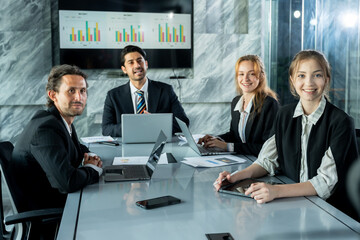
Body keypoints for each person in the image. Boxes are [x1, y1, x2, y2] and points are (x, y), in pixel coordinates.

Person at [214, 50, 359, 220]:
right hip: (298, 206)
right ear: (292, 80)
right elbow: (267, 161)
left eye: (317, 75)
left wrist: (276, 191)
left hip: (334, 214)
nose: (309, 83)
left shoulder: (341, 121)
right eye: (301, 75)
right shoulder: (284, 115)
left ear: (327, 79)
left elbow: (325, 182)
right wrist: (235, 177)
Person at [11, 64, 103, 213]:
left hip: (62, 202)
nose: (78, 97)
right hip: (49, 212)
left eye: (83, 91)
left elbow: (76, 148)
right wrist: (93, 169)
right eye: (71, 91)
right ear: (53, 95)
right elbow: (68, 182)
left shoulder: (59, 120)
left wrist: (90, 156)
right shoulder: (46, 129)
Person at [198, 55, 279, 156]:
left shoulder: (269, 104)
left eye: (252, 74)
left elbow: (266, 148)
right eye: (241, 74)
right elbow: (234, 135)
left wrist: (227, 146)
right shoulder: (236, 102)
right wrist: (215, 139)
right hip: (243, 158)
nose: (245, 79)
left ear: (261, 76)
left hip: (259, 164)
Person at [102, 45, 190, 137]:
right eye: (131, 62)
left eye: (140, 60)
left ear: (146, 64)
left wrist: (154, 122)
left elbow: (183, 123)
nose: (137, 65)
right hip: (127, 147)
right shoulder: (113, 96)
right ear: (124, 69)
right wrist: (133, 126)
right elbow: (106, 129)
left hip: (159, 145)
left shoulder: (166, 91)